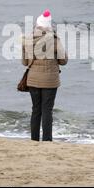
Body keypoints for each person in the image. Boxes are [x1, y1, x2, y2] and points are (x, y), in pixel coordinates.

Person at [22, 9, 68, 141]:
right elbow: (63, 61)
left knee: (36, 110)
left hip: (33, 80)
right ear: (49, 26)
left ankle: (34, 139)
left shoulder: (27, 40)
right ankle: (47, 140)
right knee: (47, 110)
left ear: (37, 25)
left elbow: (25, 62)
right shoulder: (54, 40)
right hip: (50, 81)